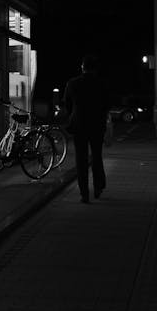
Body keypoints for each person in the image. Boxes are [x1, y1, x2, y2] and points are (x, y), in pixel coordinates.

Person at [63, 54, 111, 203]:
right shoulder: (102, 83)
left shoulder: (73, 83)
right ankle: (98, 187)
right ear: (95, 69)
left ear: (82, 67)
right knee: (96, 155)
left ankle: (84, 193)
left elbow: (67, 104)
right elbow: (107, 105)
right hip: (97, 124)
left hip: (79, 124)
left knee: (81, 159)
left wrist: (74, 114)